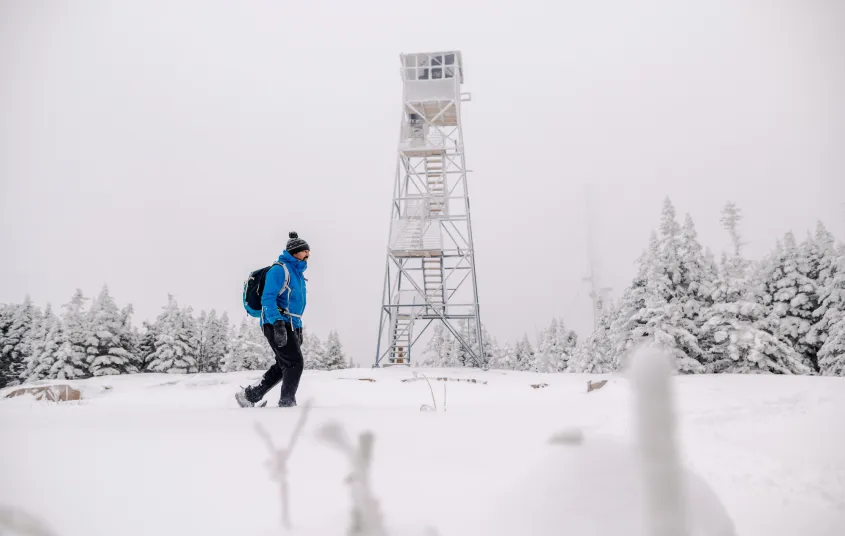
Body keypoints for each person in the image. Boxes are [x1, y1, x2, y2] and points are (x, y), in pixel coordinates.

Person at [236, 231, 310, 408]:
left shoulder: (298, 274)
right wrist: (277, 324)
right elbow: (268, 298)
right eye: (304, 251)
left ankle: (248, 396)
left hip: (291, 323)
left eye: (309, 252)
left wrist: (297, 329)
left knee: (283, 364)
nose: (308, 255)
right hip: (276, 322)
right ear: (294, 252)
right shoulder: (279, 270)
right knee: (294, 363)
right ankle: (287, 403)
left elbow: (295, 306)